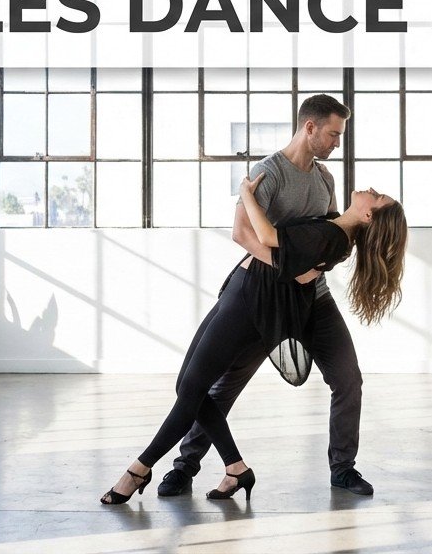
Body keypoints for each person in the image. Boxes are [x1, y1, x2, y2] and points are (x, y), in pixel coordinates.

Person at [100, 171, 407, 505]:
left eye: (377, 197)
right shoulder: (332, 221)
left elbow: (263, 236)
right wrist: (287, 262)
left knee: (193, 388)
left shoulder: (333, 237)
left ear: (368, 215)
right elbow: (282, 255)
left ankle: (140, 468)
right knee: (193, 387)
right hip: (246, 291)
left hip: (256, 300)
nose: (373, 190)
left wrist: (245, 193)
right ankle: (231, 467)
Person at [156, 94, 383, 498]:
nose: (336, 143)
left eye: (340, 136)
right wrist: (289, 269)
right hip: (268, 298)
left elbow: (328, 232)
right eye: (333, 134)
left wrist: (312, 270)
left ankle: (343, 469)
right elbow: (242, 234)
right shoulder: (269, 172)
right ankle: (184, 466)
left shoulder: (324, 179)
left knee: (349, 380)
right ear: (309, 127)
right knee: (225, 385)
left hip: (314, 296)